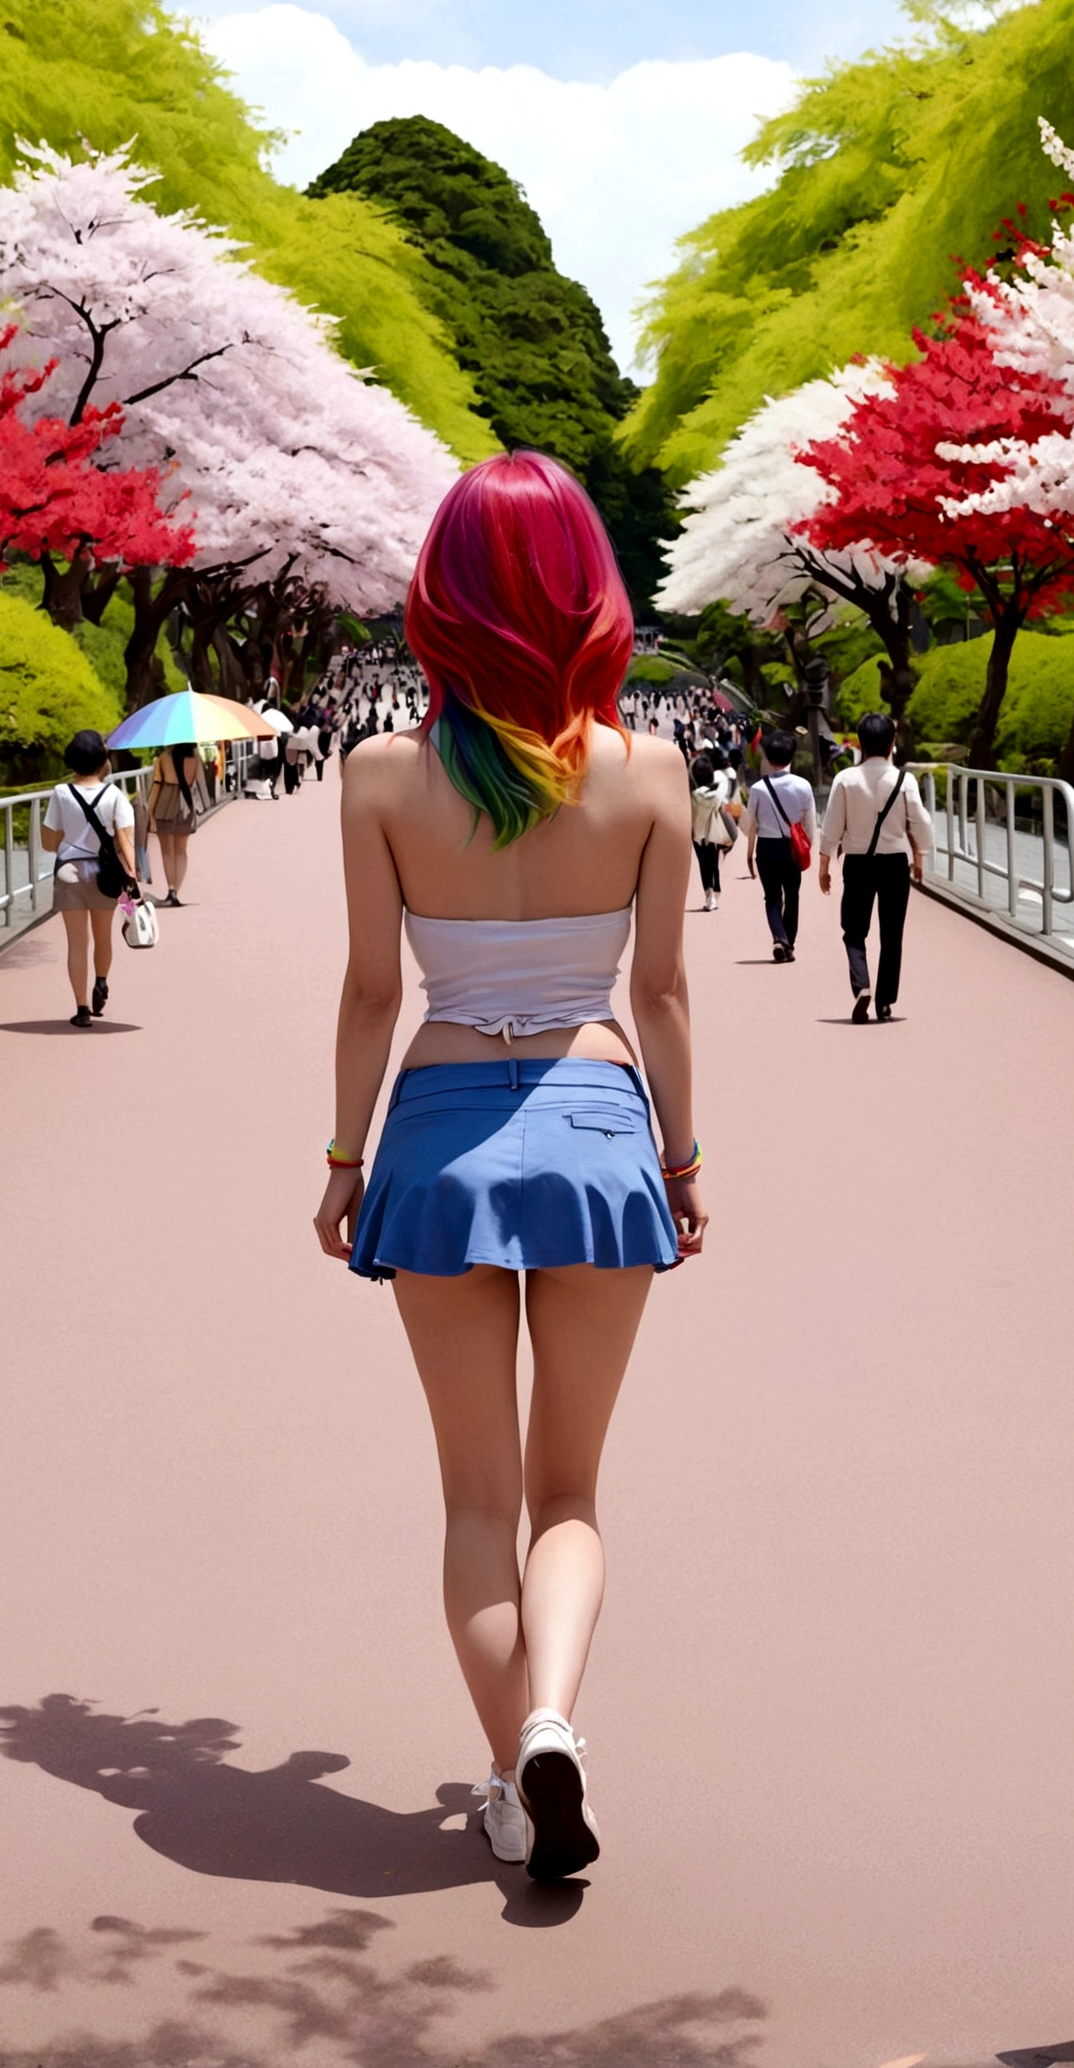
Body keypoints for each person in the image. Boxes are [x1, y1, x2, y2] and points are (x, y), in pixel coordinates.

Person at [313, 451, 706, 1885]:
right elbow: (660, 994)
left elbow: (371, 992)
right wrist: (685, 1156)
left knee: (474, 1499)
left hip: (437, 1133)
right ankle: (550, 1719)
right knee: (571, 1497)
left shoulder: (380, 778)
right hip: (602, 1130)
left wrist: (347, 1157)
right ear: (591, 595)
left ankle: (521, 1764)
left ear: (443, 596)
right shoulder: (653, 769)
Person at [817, 711, 932, 1023]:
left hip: (858, 863)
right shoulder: (905, 780)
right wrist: (919, 856)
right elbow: (921, 825)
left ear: (860, 743)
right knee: (892, 934)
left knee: (853, 930)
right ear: (892, 743)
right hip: (896, 863)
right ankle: (884, 1003)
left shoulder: (845, 779)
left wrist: (824, 864)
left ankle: (861, 984)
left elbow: (831, 827)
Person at [40, 730, 139, 1029]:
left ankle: (81, 1008)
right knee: (103, 936)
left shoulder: (60, 793)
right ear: (102, 761)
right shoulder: (114, 795)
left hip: (69, 872)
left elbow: (48, 841)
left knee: (76, 943)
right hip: (104, 873)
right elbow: (126, 839)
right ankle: (101, 982)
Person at [741, 729, 816, 961]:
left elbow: (750, 824)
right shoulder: (803, 786)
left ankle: (778, 937)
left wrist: (749, 852)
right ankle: (788, 943)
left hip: (766, 847)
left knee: (772, 897)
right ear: (792, 755)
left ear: (768, 758)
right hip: (792, 848)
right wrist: (806, 847)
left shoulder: (758, 789)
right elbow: (810, 824)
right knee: (792, 896)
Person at [147, 742, 209, 906]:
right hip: (185, 805)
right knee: (181, 851)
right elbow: (199, 783)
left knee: (167, 852)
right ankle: (176, 893)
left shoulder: (164, 758)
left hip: (164, 805)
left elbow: (156, 786)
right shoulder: (195, 759)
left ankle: (171, 890)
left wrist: (150, 813)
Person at [689, 754, 729, 912]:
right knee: (714, 863)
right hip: (714, 831)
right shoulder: (717, 793)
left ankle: (709, 894)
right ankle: (715, 892)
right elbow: (723, 782)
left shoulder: (693, 796)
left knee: (703, 864)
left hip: (698, 834)